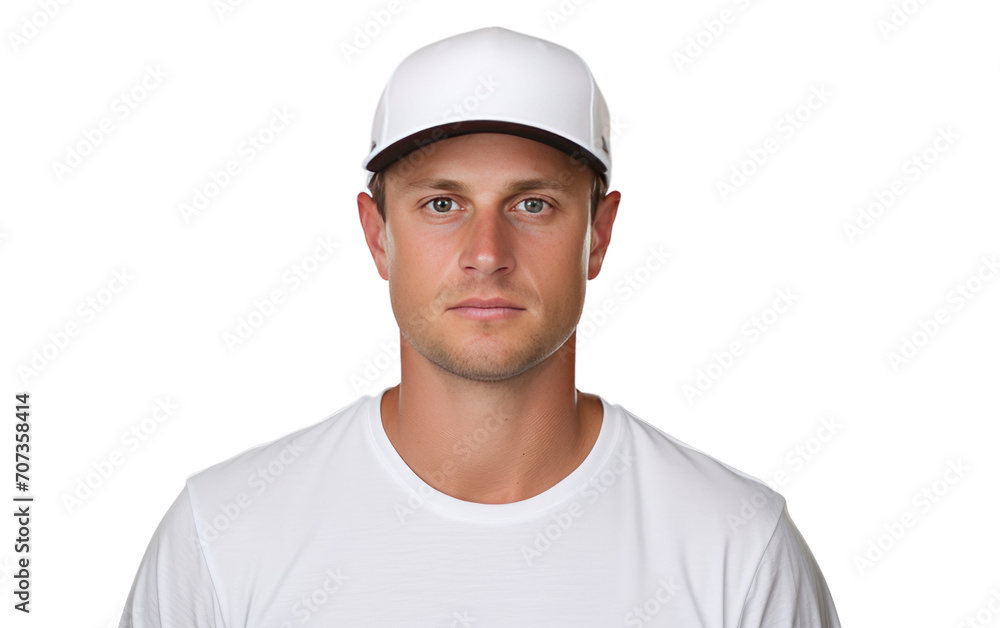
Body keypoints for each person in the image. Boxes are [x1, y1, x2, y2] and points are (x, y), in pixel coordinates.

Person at [118, 26, 841, 627]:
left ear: (598, 234)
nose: (487, 255)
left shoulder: (737, 549)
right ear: (377, 236)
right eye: (441, 204)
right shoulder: (224, 535)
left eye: (532, 205)